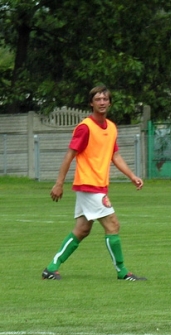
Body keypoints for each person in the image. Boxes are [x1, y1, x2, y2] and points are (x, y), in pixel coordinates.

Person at [42, 85, 146, 281]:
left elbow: (115, 155)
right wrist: (59, 183)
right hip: (89, 185)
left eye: (105, 99)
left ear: (110, 102)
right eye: (97, 99)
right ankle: (123, 271)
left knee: (82, 229)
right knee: (113, 224)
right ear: (91, 103)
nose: (102, 102)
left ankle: (51, 268)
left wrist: (132, 176)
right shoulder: (85, 127)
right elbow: (70, 154)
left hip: (97, 186)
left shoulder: (112, 127)